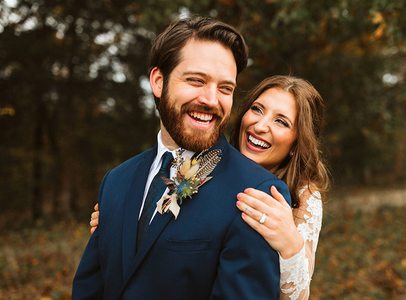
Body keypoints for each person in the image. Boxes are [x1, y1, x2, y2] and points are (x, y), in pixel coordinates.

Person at [72, 17, 292, 300]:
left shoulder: (255, 193)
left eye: (225, 88)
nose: (212, 100)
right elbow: (89, 290)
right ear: (158, 81)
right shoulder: (116, 180)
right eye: (196, 80)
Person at [90, 75, 330, 299]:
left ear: (297, 141)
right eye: (257, 109)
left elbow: (297, 294)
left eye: (281, 121)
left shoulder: (304, 195)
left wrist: (291, 247)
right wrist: (120, 225)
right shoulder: (203, 163)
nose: (260, 126)